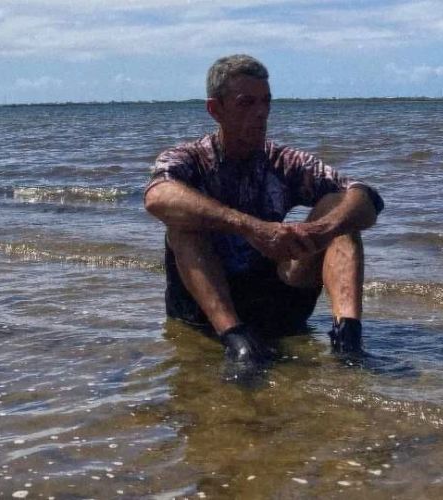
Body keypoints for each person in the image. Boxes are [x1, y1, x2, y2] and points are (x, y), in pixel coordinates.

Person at [143, 54, 384, 366]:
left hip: (273, 302)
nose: (261, 113)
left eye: (266, 102)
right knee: (183, 225)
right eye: (247, 103)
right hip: (204, 310)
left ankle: (348, 341)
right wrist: (251, 227)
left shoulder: (283, 161)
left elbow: (367, 198)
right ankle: (237, 342)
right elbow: (157, 196)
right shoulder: (189, 159)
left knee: (340, 208)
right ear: (215, 109)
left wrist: (321, 230)